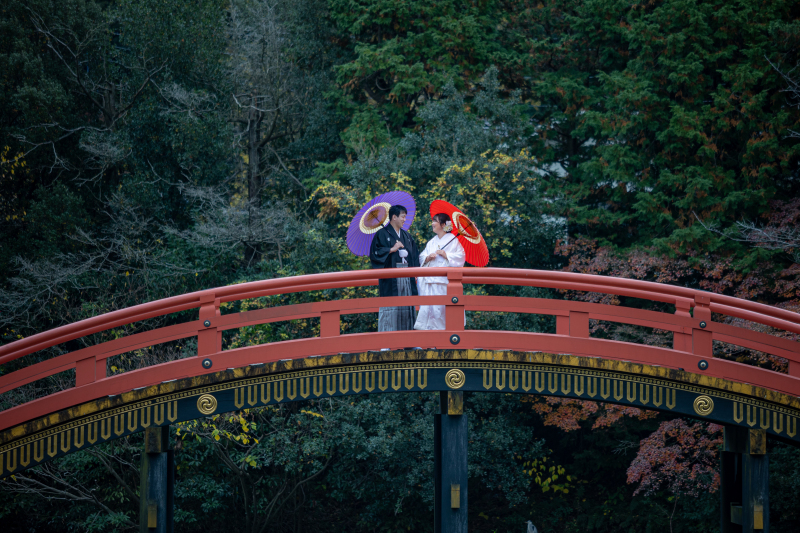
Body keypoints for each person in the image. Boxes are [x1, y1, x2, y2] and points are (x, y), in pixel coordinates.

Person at [369, 204, 421, 331]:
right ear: (394, 217)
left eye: (405, 217)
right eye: (402, 217)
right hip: (390, 278)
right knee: (390, 308)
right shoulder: (381, 234)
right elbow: (375, 254)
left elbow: (414, 257)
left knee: (407, 308)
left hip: (407, 278)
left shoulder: (407, 236)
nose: (404, 219)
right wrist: (391, 249)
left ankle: (409, 341)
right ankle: (386, 341)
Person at [414, 212, 465, 330]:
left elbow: (461, 257)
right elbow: (422, 257)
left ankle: (444, 335)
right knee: (430, 310)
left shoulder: (453, 240)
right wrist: (427, 258)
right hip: (429, 282)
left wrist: (446, 254)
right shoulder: (432, 242)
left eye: (435, 221)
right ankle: (430, 339)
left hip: (443, 282)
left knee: (442, 310)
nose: (432, 224)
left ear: (443, 224)